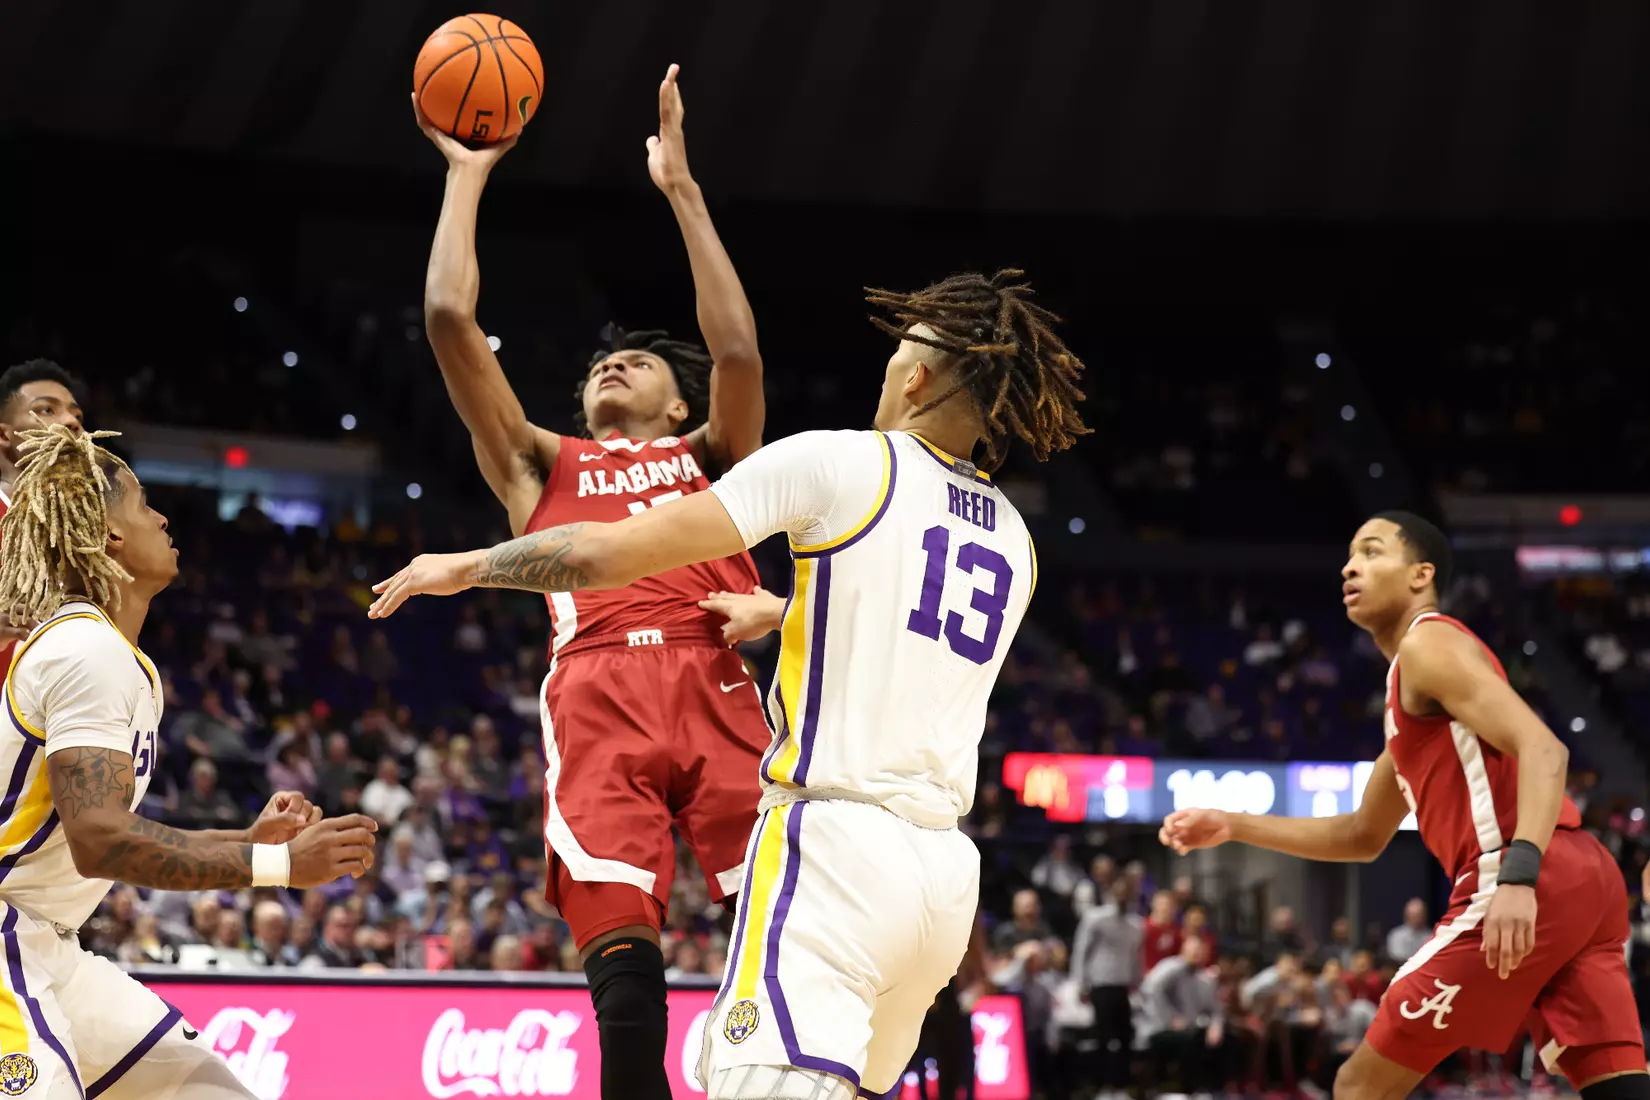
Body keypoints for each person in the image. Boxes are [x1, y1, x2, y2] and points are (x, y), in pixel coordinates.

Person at [368, 267, 1089, 1100]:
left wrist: (467, 565)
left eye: (899, 352)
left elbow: (604, 553)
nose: (889, 363)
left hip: (835, 847)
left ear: (917, 377)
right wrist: (786, 613)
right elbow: (899, 638)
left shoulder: (840, 462)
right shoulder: (1015, 538)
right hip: (941, 879)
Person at [415, 66, 771, 1100]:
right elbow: (447, 313)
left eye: (639, 365)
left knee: (787, 908)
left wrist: (684, 193)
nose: (614, 367)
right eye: (601, 365)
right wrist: (469, 172)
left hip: (718, 675)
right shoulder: (539, 463)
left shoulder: (714, 451)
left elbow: (738, 344)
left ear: (678, 401)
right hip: (598, 688)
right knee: (620, 947)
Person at [1161, 511, 1648, 1099]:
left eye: (1370, 552)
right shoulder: (1412, 695)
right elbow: (1362, 834)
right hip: (1583, 880)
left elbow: (1545, 749)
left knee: (1360, 1086)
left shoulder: (1428, 641)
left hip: (1524, 870)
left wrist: (1520, 877)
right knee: (1614, 1086)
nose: (1349, 566)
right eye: (1348, 555)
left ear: (1421, 574)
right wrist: (1233, 823)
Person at [0, 423, 378, 1099]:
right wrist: (278, 867)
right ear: (111, 536)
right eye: (144, 503)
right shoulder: (85, 653)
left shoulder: (114, 657)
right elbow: (101, 840)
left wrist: (247, 840)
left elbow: (102, 828)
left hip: (46, 942)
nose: (163, 516)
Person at [0, 359, 85, 662]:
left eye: (76, 414)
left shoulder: (84, 538)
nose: (72, 423)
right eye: (47, 410)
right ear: (4, 436)